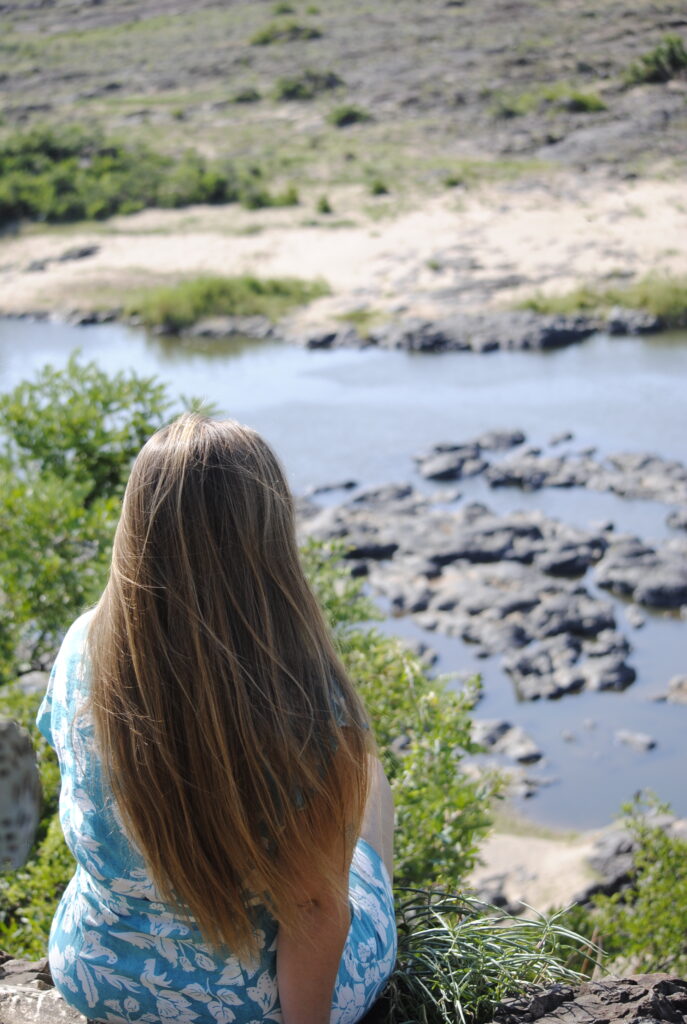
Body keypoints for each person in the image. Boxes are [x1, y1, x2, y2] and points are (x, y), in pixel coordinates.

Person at [37, 413, 396, 1024]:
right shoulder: (307, 701)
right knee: (370, 781)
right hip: (241, 1005)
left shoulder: (80, 645)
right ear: (269, 535)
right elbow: (311, 908)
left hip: (95, 971)